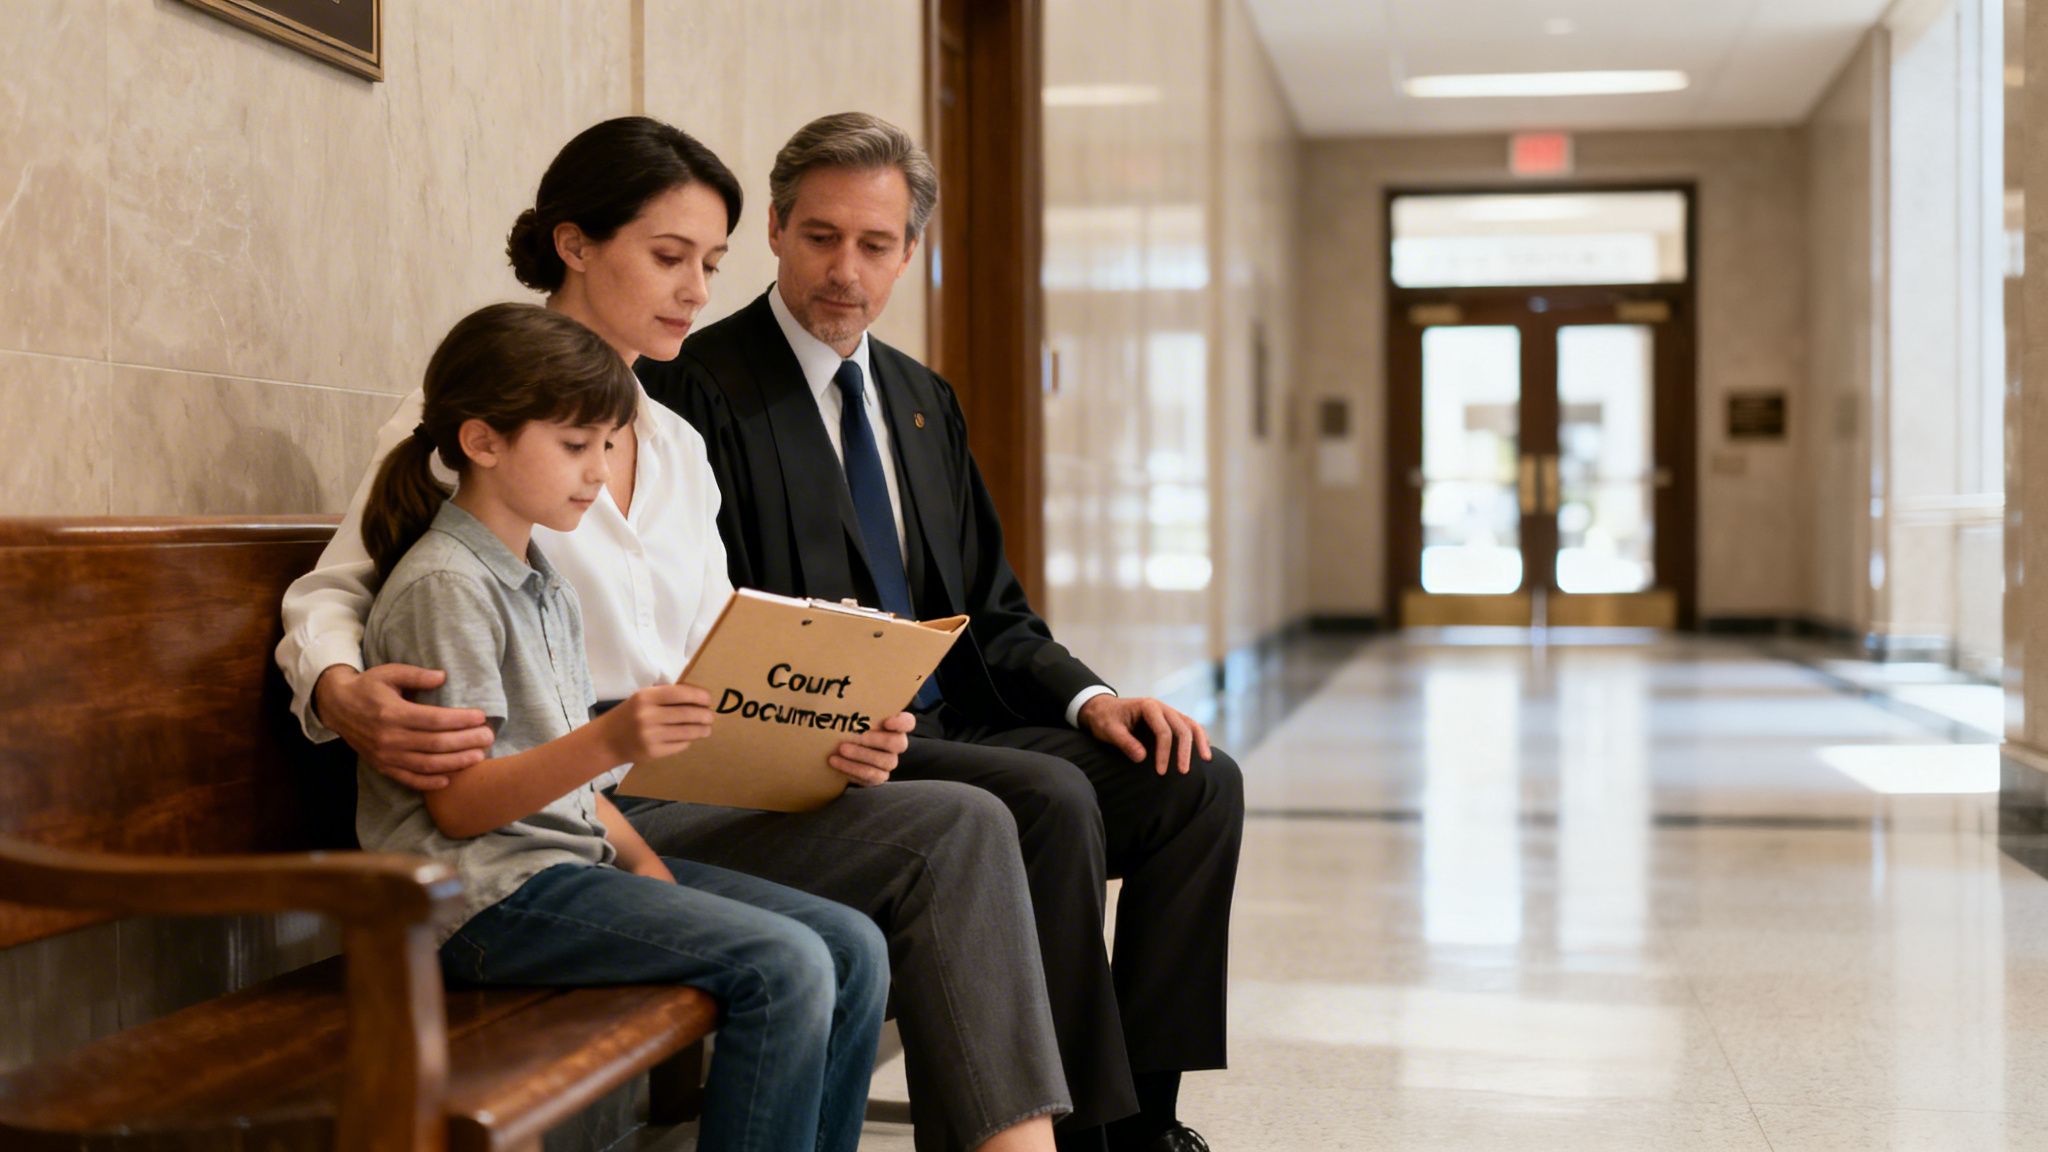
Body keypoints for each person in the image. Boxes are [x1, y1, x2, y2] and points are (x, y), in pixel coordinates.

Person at [277, 117, 1068, 1152]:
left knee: (961, 820)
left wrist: (827, 728)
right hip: (555, 794)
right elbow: (341, 590)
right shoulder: (472, 426)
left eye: (710, 263)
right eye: (667, 257)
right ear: (574, 244)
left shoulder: (678, 443)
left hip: (665, 781)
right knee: (945, 840)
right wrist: (341, 688)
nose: (696, 291)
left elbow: (721, 650)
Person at [641, 112, 1242, 1152]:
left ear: (910, 252)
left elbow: (993, 612)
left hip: (956, 721)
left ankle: (1148, 1118)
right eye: (820, 236)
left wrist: (1096, 701)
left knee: (1190, 778)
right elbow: (707, 615)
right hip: (821, 743)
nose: (845, 270)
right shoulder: (700, 386)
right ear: (776, 230)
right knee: (1045, 800)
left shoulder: (922, 402)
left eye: (875, 244)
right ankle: (1073, 1132)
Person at [353, 300, 885, 1152]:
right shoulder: (447, 588)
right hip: (478, 906)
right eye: (574, 446)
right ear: (483, 441)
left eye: (606, 444)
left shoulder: (539, 575)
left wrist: (647, 872)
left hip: (565, 873)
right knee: (783, 968)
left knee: (851, 944)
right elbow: (458, 811)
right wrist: (613, 740)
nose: (598, 473)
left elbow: (585, 799)